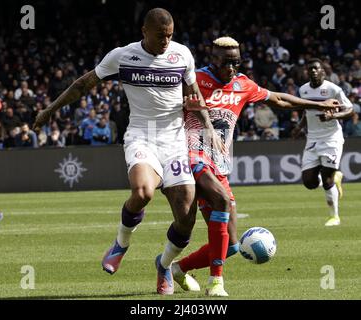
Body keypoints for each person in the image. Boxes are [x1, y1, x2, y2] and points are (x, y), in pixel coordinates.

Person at [33, 8, 219, 295]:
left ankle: (165, 265)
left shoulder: (182, 54)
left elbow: (194, 96)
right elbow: (83, 84)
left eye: (170, 36)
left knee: (186, 218)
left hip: (174, 142)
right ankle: (121, 243)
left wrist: (207, 127)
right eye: (160, 36)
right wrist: (50, 110)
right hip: (141, 136)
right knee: (143, 192)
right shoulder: (122, 56)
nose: (166, 42)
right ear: (144, 31)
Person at [172, 37, 341, 297]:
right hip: (192, 156)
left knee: (231, 247)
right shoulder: (195, 80)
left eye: (236, 62)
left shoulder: (243, 84)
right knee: (222, 203)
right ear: (213, 58)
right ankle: (216, 283)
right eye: (226, 62)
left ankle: (178, 269)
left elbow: (279, 100)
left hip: (219, 163)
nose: (231, 67)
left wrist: (319, 105)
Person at [292, 58, 353, 226]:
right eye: (310, 68)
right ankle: (336, 178)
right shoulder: (303, 90)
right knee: (309, 182)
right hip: (312, 138)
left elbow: (349, 109)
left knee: (326, 179)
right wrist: (299, 127)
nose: (313, 71)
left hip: (331, 138)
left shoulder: (333, 89)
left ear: (323, 72)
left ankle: (335, 217)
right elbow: (306, 111)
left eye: (316, 69)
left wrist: (333, 116)